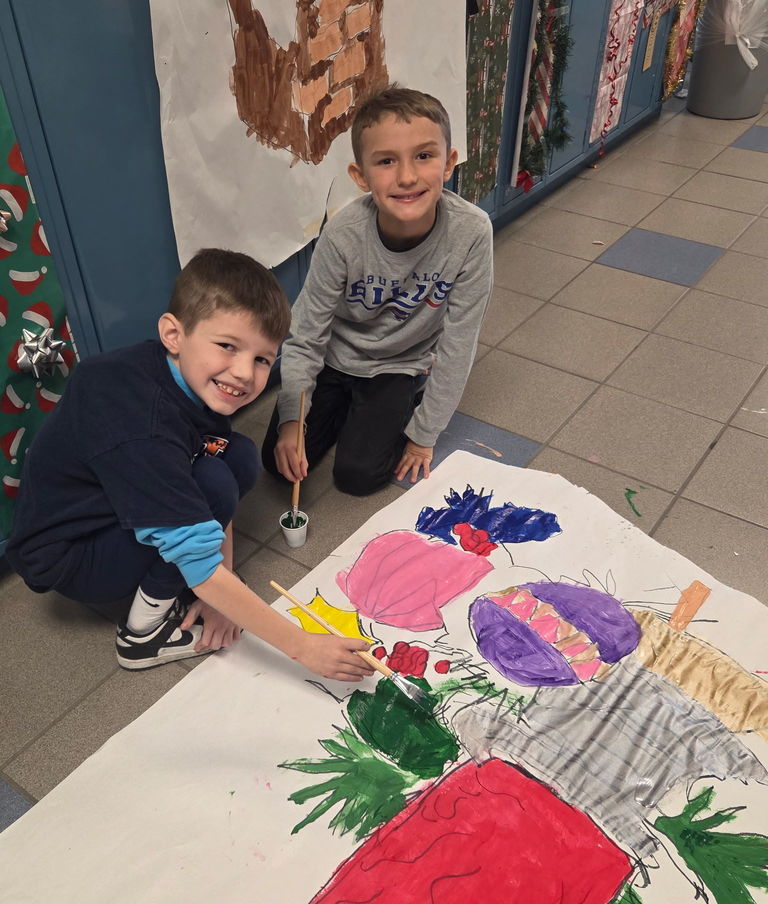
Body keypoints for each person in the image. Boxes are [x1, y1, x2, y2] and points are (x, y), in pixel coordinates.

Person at [6, 249, 372, 680]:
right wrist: (303, 647)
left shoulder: (182, 373)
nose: (244, 373)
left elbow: (211, 459)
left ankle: (185, 578)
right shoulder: (143, 425)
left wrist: (222, 589)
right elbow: (199, 553)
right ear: (173, 335)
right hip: (72, 556)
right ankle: (141, 634)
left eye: (261, 358)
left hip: (106, 505)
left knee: (236, 456)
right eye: (227, 346)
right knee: (213, 483)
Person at [262, 85, 493, 496]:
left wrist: (423, 435)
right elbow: (306, 333)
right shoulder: (343, 235)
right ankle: (344, 411)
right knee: (277, 463)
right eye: (386, 161)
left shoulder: (471, 232)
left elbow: (459, 345)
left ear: (448, 164)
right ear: (360, 176)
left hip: (399, 364)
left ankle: (398, 399)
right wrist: (292, 421)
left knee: (359, 476)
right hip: (336, 358)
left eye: (424, 156)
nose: (406, 177)